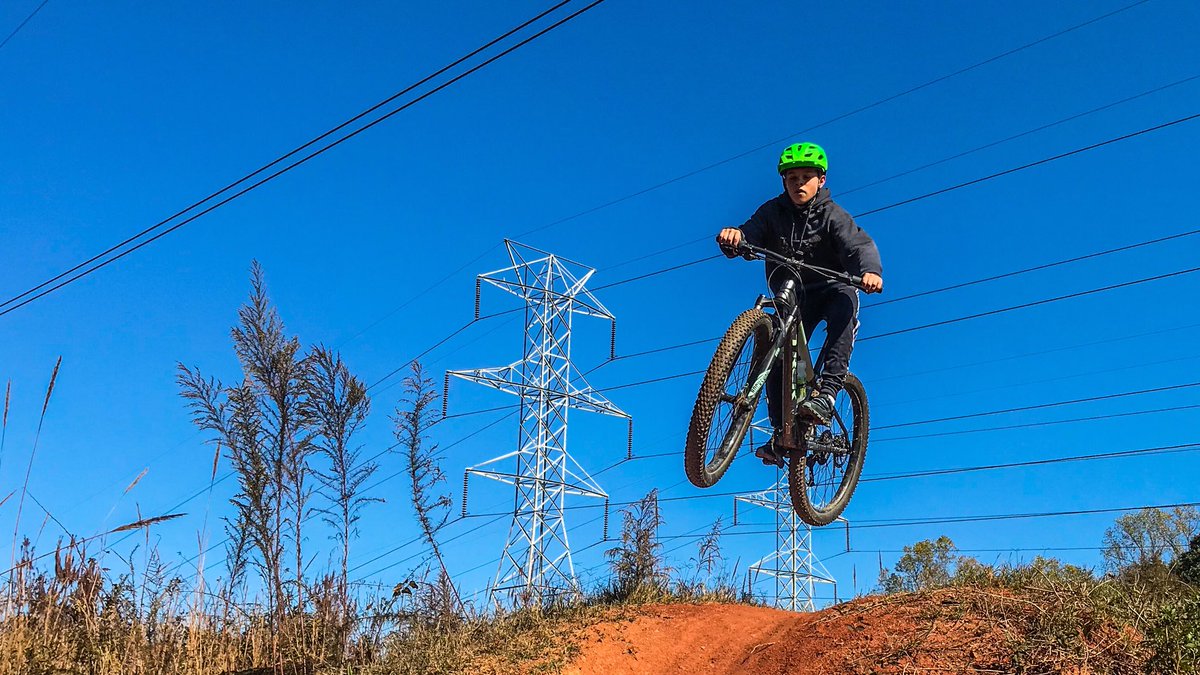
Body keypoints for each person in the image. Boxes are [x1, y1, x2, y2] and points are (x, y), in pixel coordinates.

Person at [715, 142, 883, 465]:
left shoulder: (833, 215)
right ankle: (782, 433)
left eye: (807, 177)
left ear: (820, 180)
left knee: (844, 313)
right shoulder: (772, 212)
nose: (799, 184)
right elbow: (750, 233)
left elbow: (858, 244)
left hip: (833, 287)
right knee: (776, 356)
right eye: (792, 178)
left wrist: (870, 271)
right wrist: (735, 238)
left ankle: (828, 394)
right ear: (783, 182)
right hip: (793, 293)